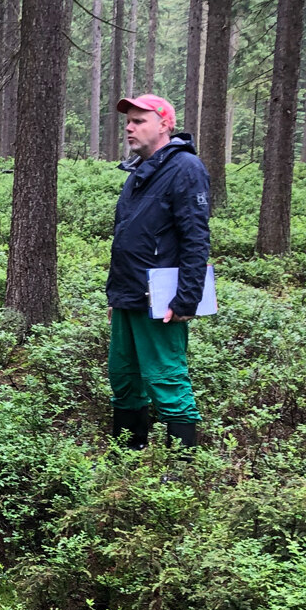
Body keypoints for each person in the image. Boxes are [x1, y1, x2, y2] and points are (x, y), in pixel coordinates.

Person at [105, 93, 211, 450]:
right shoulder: (139, 172)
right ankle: (127, 458)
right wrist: (116, 296)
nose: (130, 128)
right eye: (128, 122)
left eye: (139, 121)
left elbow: (196, 239)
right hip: (129, 296)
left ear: (165, 124)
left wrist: (187, 300)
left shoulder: (185, 168)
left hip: (161, 299)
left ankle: (181, 473)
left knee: (166, 378)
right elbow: (127, 239)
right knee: (123, 377)